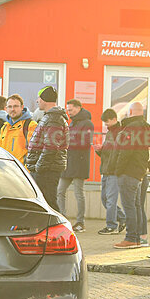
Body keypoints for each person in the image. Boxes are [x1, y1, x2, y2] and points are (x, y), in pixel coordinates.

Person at [112, 101, 150, 249]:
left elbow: (125, 151)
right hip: (139, 172)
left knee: (129, 206)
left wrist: (118, 169)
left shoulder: (131, 128)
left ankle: (130, 238)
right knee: (136, 206)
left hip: (128, 172)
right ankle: (136, 238)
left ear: (130, 112)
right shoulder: (146, 127)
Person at [25, 86, 68, 211]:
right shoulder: (50, 117)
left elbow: (51, 147)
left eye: (39, 98)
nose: (37, 101)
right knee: (46, 204)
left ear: (44, 99)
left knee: (49, 205)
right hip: (45, 169)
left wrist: (39, 168)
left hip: (46, 171)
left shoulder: (54, 119)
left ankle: (58, 229)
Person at [57, 99, 94, 233]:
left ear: (78, 108)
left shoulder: (87, 123)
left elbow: (85, 143)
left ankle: (80, 222)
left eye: (71, 110)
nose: (69, 112)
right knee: (60, 191)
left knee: (79, 192)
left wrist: (67, 142)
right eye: (68, 110)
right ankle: (62, 218)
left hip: (79, 163)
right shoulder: (73, 123)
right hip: (68, 163)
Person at [96, 108, 126, 235]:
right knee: (104, 198)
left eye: (107, 121)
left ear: (114, 119)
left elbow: (117, 152)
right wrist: (100, 150)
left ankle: (111, 225)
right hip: (106, 170)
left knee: (110, 199)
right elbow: (108, 153)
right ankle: (123, 218)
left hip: (114, 171)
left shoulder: (119, 133)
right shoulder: (109, 133)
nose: (105, 124)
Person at [0, 94, 37, 162]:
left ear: (22, 107)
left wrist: (26, 171)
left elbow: (35, 152)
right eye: (10, 107)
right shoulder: (4, 127)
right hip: (7, 169)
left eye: (15, 106)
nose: (12, 109)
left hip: (22, 171)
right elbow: (0, 151)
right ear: (6, 109)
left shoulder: (30, 126)